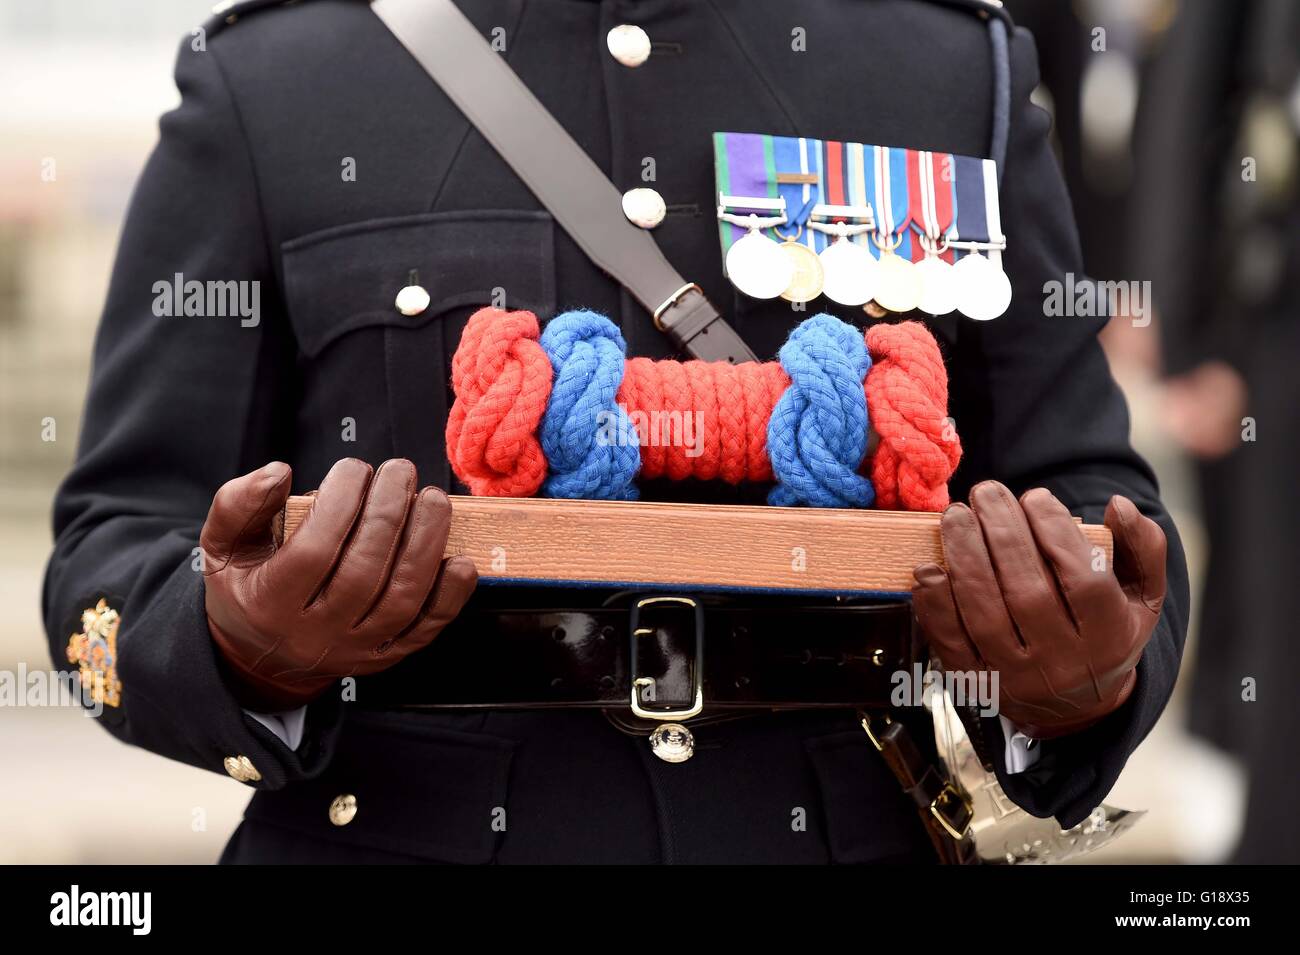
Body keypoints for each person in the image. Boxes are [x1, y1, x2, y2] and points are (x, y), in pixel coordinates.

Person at [44, 0, 1186, 864]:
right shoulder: (280, 80)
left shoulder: (939, 66)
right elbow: (111, 553)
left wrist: (1072, 682)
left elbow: (1088, 493)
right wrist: (241, 647)